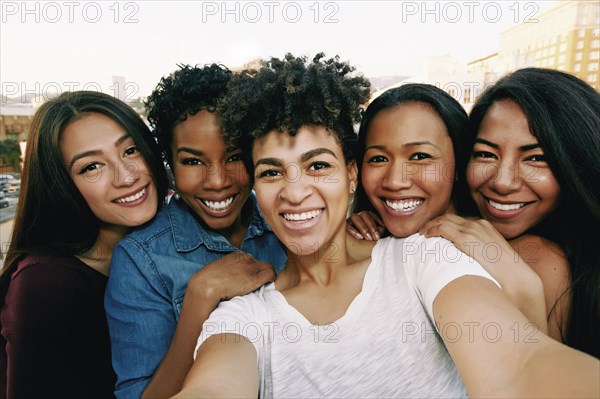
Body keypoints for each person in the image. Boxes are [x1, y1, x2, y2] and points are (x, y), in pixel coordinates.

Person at [174, 54, 600, 399]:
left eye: (318, 165)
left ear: (349, 174)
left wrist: (523, 289)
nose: (294, 191)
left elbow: (520, 364)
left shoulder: (429, 255)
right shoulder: (242, 316)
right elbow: (213, 386)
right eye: (270, 173)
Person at [104, 64, 287, 398]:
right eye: (192, 161)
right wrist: (199, 299)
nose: (217, 181)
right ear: (169, 165)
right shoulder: (141, 260)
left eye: (234, 156)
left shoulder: (290, 220)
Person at [421, 67, 600, 358]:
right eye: (485, 154)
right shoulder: (453, 233)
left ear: (576, 162)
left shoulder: (547, 263)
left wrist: (523, 286)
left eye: (536, 158)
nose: (503, 181)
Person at [0, 91, 169, 398]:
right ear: (62, 186)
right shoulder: (46, 285)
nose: (127, 176)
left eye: (130, 150)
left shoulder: (166, 245)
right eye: (92, 167)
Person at [346, 83, 469, 240]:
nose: (395, 182)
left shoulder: (481, 254)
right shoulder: (365, 243)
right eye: (378, 159)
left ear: (460, 163)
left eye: (419, 157)